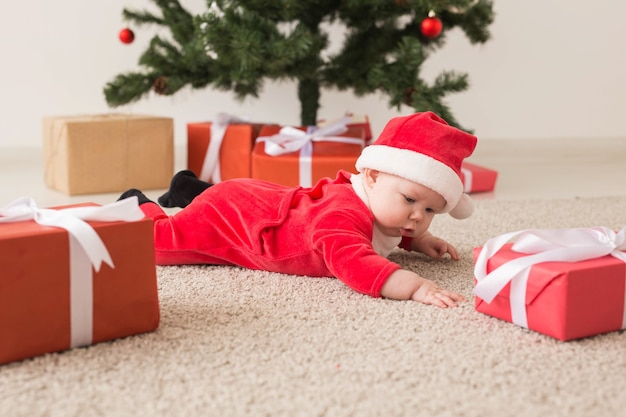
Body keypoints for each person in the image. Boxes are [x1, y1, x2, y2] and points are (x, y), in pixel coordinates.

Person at [120, 112, 477, 308]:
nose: (418, 217)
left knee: (231, 194)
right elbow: (354, 263)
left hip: (256, 197)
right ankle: (140, 203)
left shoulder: (383, 205)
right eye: (411, 201)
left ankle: (189, 188)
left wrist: (418, 241)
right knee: (157, 247)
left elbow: (389, 226)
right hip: (236, 220)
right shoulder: (342, 216)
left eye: (431, 209)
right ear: (371, 177)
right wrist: (413, 287)